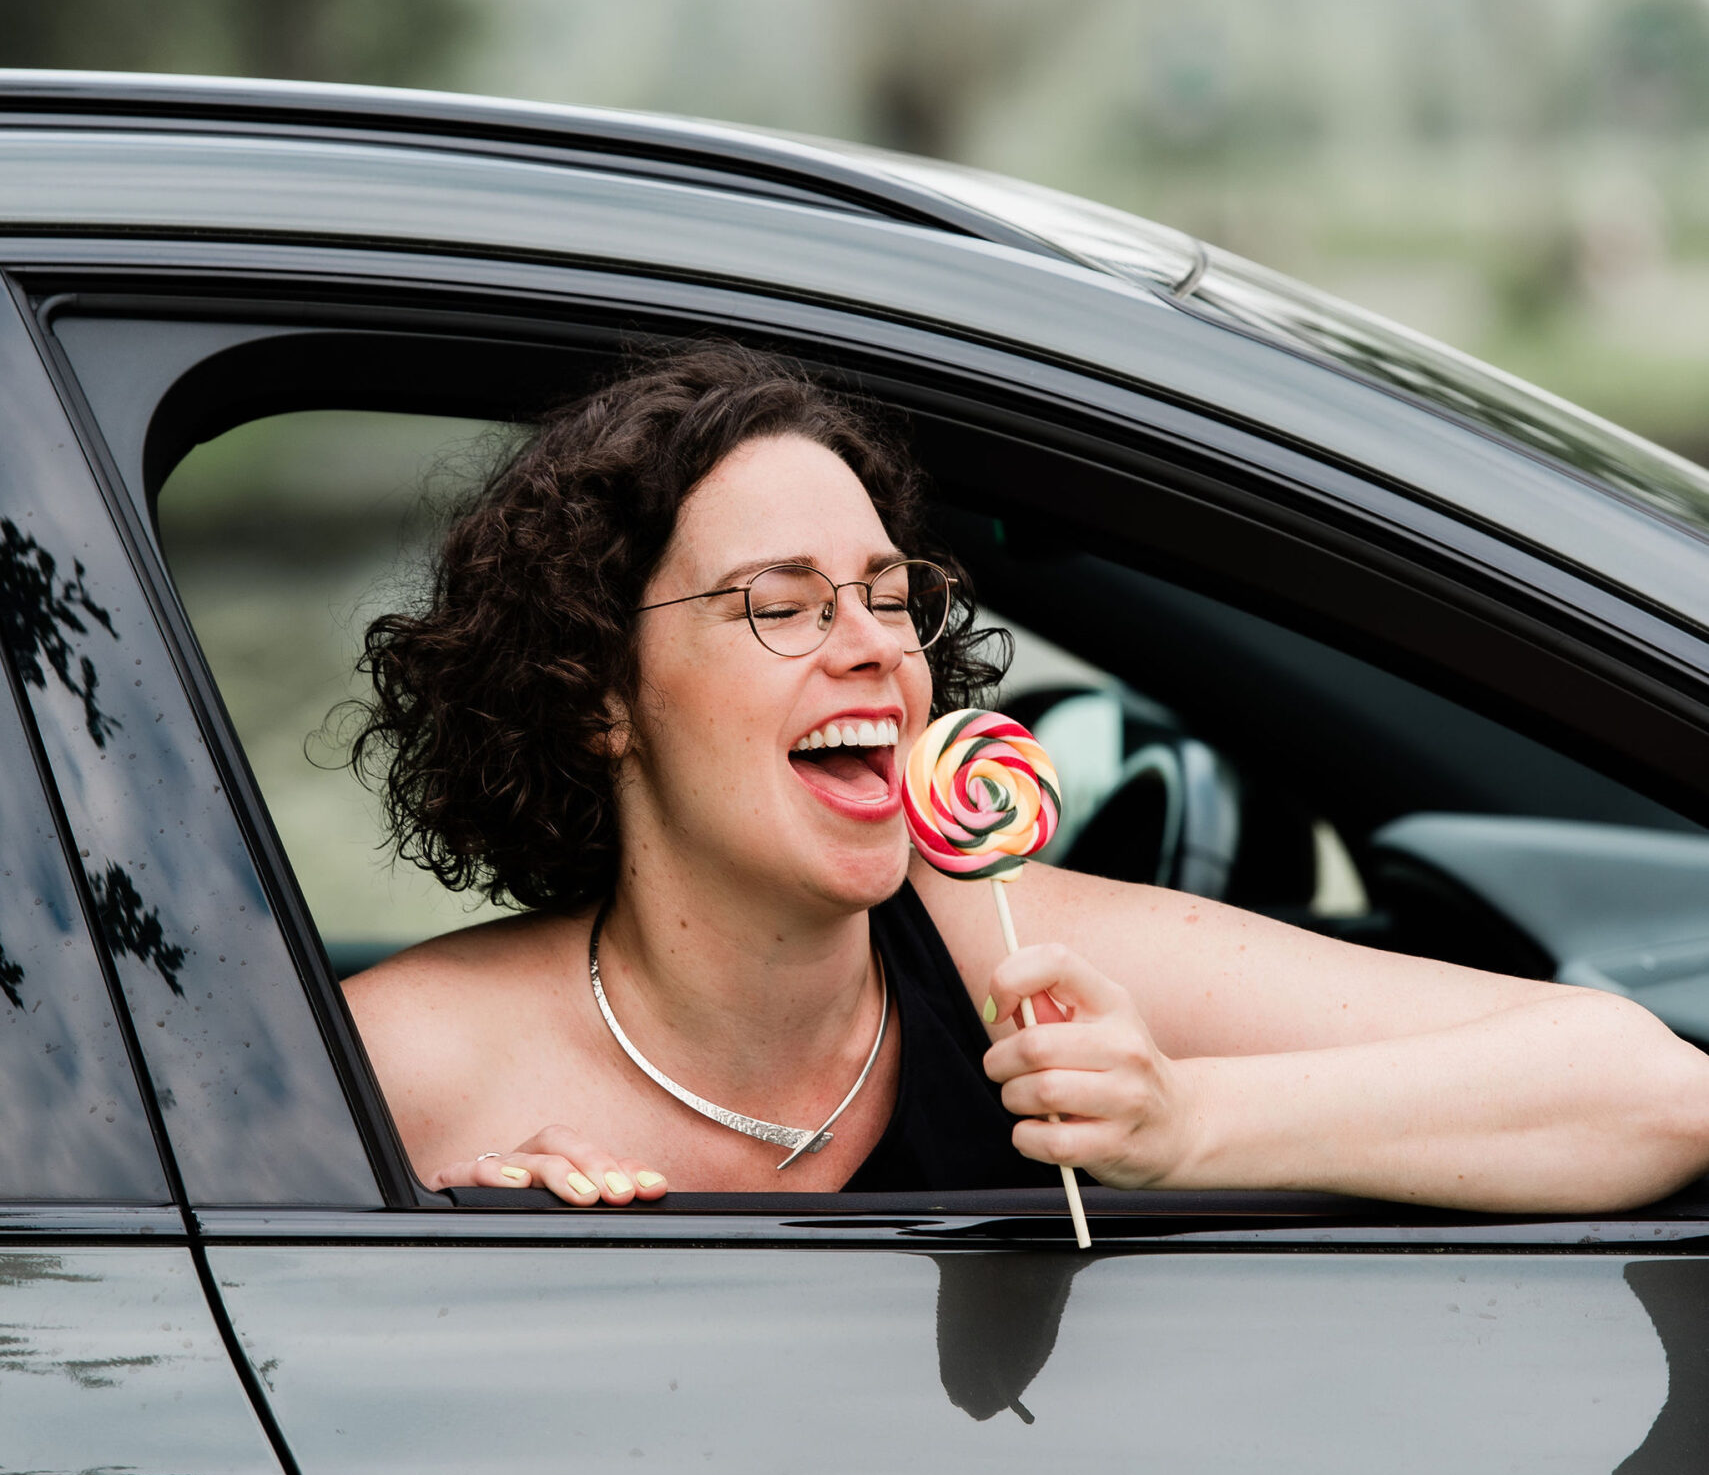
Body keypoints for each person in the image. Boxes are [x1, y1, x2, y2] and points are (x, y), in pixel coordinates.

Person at [344, 341, 1709, 1213]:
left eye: (890, 596)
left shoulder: (1017, 952)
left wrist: (1186, 1122)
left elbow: (1646, 1091)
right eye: (783, 604)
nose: (877, 650)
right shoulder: (405, 1064)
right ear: (599, 697)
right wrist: (447, 1243)